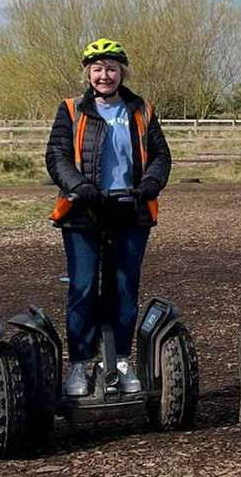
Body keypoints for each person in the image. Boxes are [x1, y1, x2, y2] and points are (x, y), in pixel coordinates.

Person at [46, 38, 171, 396]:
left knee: (123, 288)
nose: (105, 75)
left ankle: (119, 359)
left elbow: (161, 155)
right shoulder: (71, 109)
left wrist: (150, 183)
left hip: (130, 208)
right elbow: (57, 155)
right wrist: (78, 185)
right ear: (88, 72)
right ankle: (80, 364)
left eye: (112, 69)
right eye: (98, 69)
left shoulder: (140, 109)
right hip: (83, 210)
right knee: (83, 287)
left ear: (122, 73)